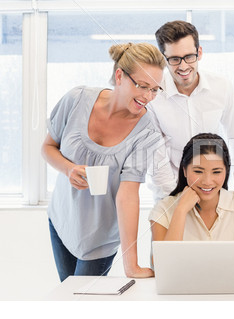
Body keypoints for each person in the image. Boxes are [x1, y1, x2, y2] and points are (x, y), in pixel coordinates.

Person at [42, 42, 176, 281]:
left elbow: (127, 195)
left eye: (155, 89)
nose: (148, 97)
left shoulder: (147, 133)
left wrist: (131, 264)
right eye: (143, 86)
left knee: (84, 305)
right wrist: (69, 169)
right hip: (62, 222)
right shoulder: (76, 99)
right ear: (119, 76)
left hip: (100, 240)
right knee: (68, 300)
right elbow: (48, 147)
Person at [149, 133, 234, 277]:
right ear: (184, 171)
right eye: (198, 171)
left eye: (216, 172)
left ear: (226, 172)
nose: (207, 181)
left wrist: (206, 271)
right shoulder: (163, 209)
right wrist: (180, 211)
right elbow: (164, 267)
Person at [147, 20, 234, 198]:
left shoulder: (221, 87)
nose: (183, 66)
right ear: (164, 59)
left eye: (189, 57)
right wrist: (177, 200)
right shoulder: (153, 94)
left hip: (213, 190)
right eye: (174, 59)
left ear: (199, 52)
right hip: (169, 193)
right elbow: (157, 159)